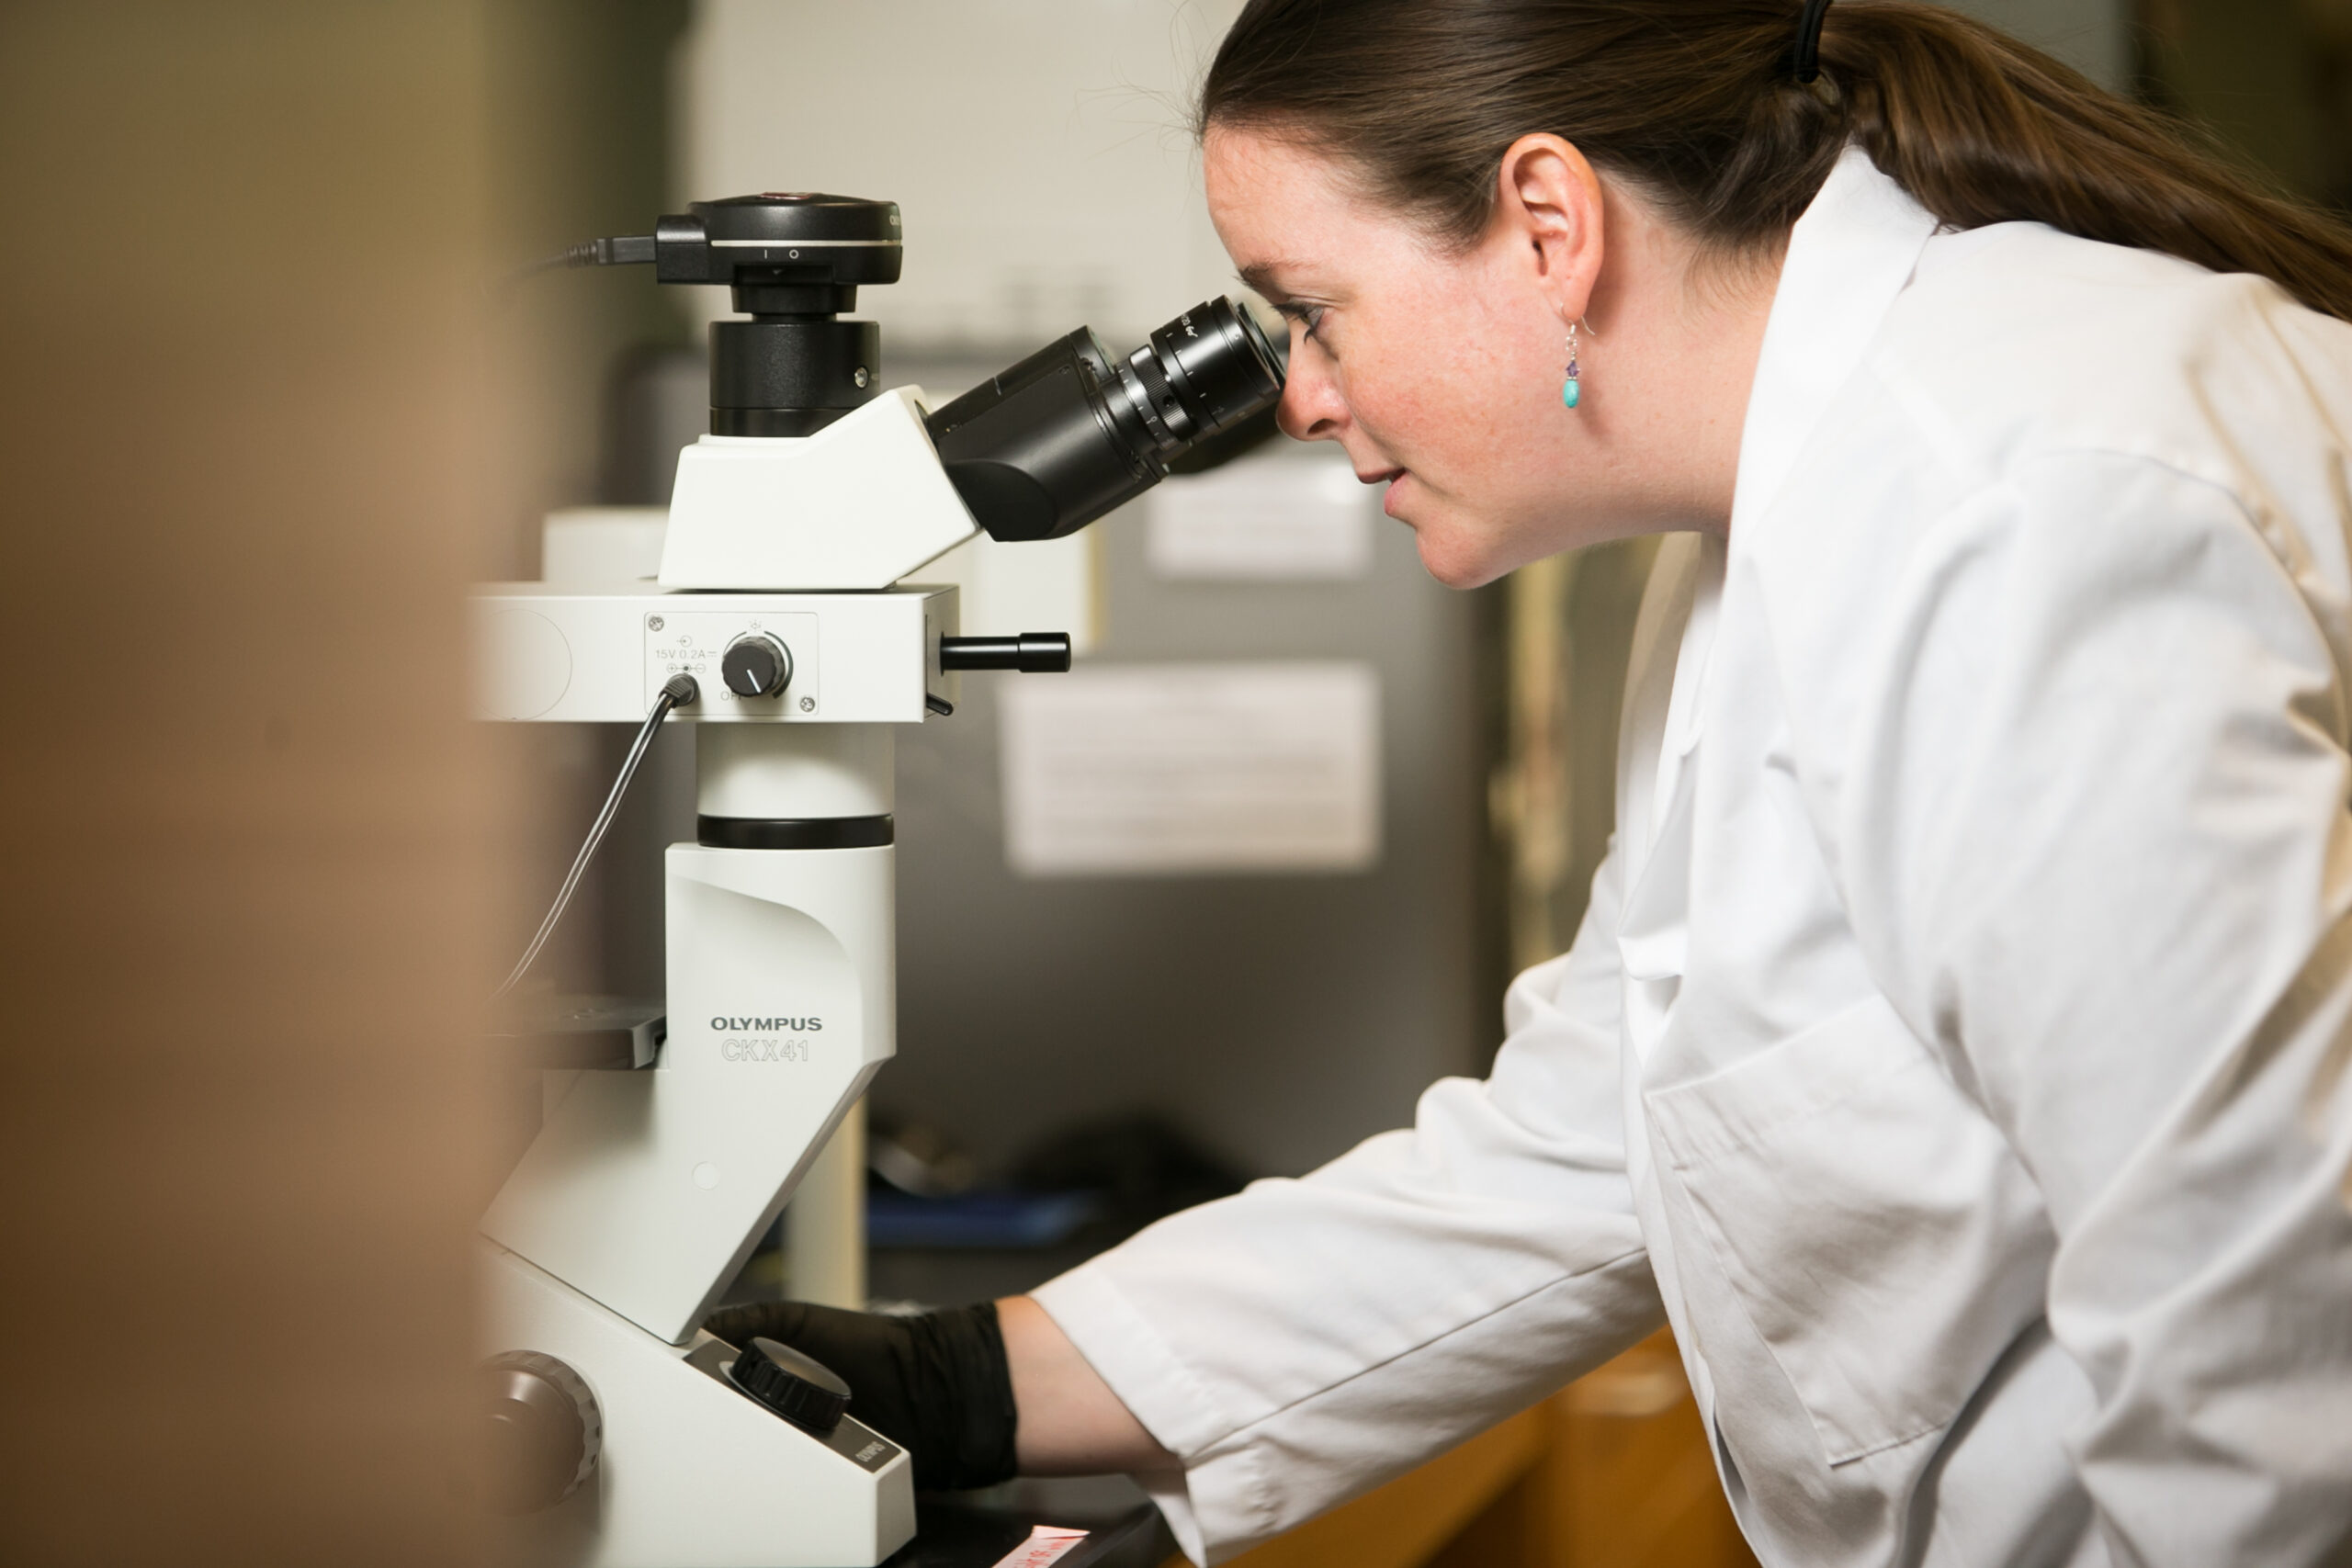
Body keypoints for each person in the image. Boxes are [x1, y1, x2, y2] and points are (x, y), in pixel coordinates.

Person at [707, 2, 2352, 1562]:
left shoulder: (2021, 512)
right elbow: (1590, 1148)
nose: (1296, 397)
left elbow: (2265, 1356)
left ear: (1551, 224)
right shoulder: (1768, 535)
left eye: (1314, 309)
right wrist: (967, 1387)